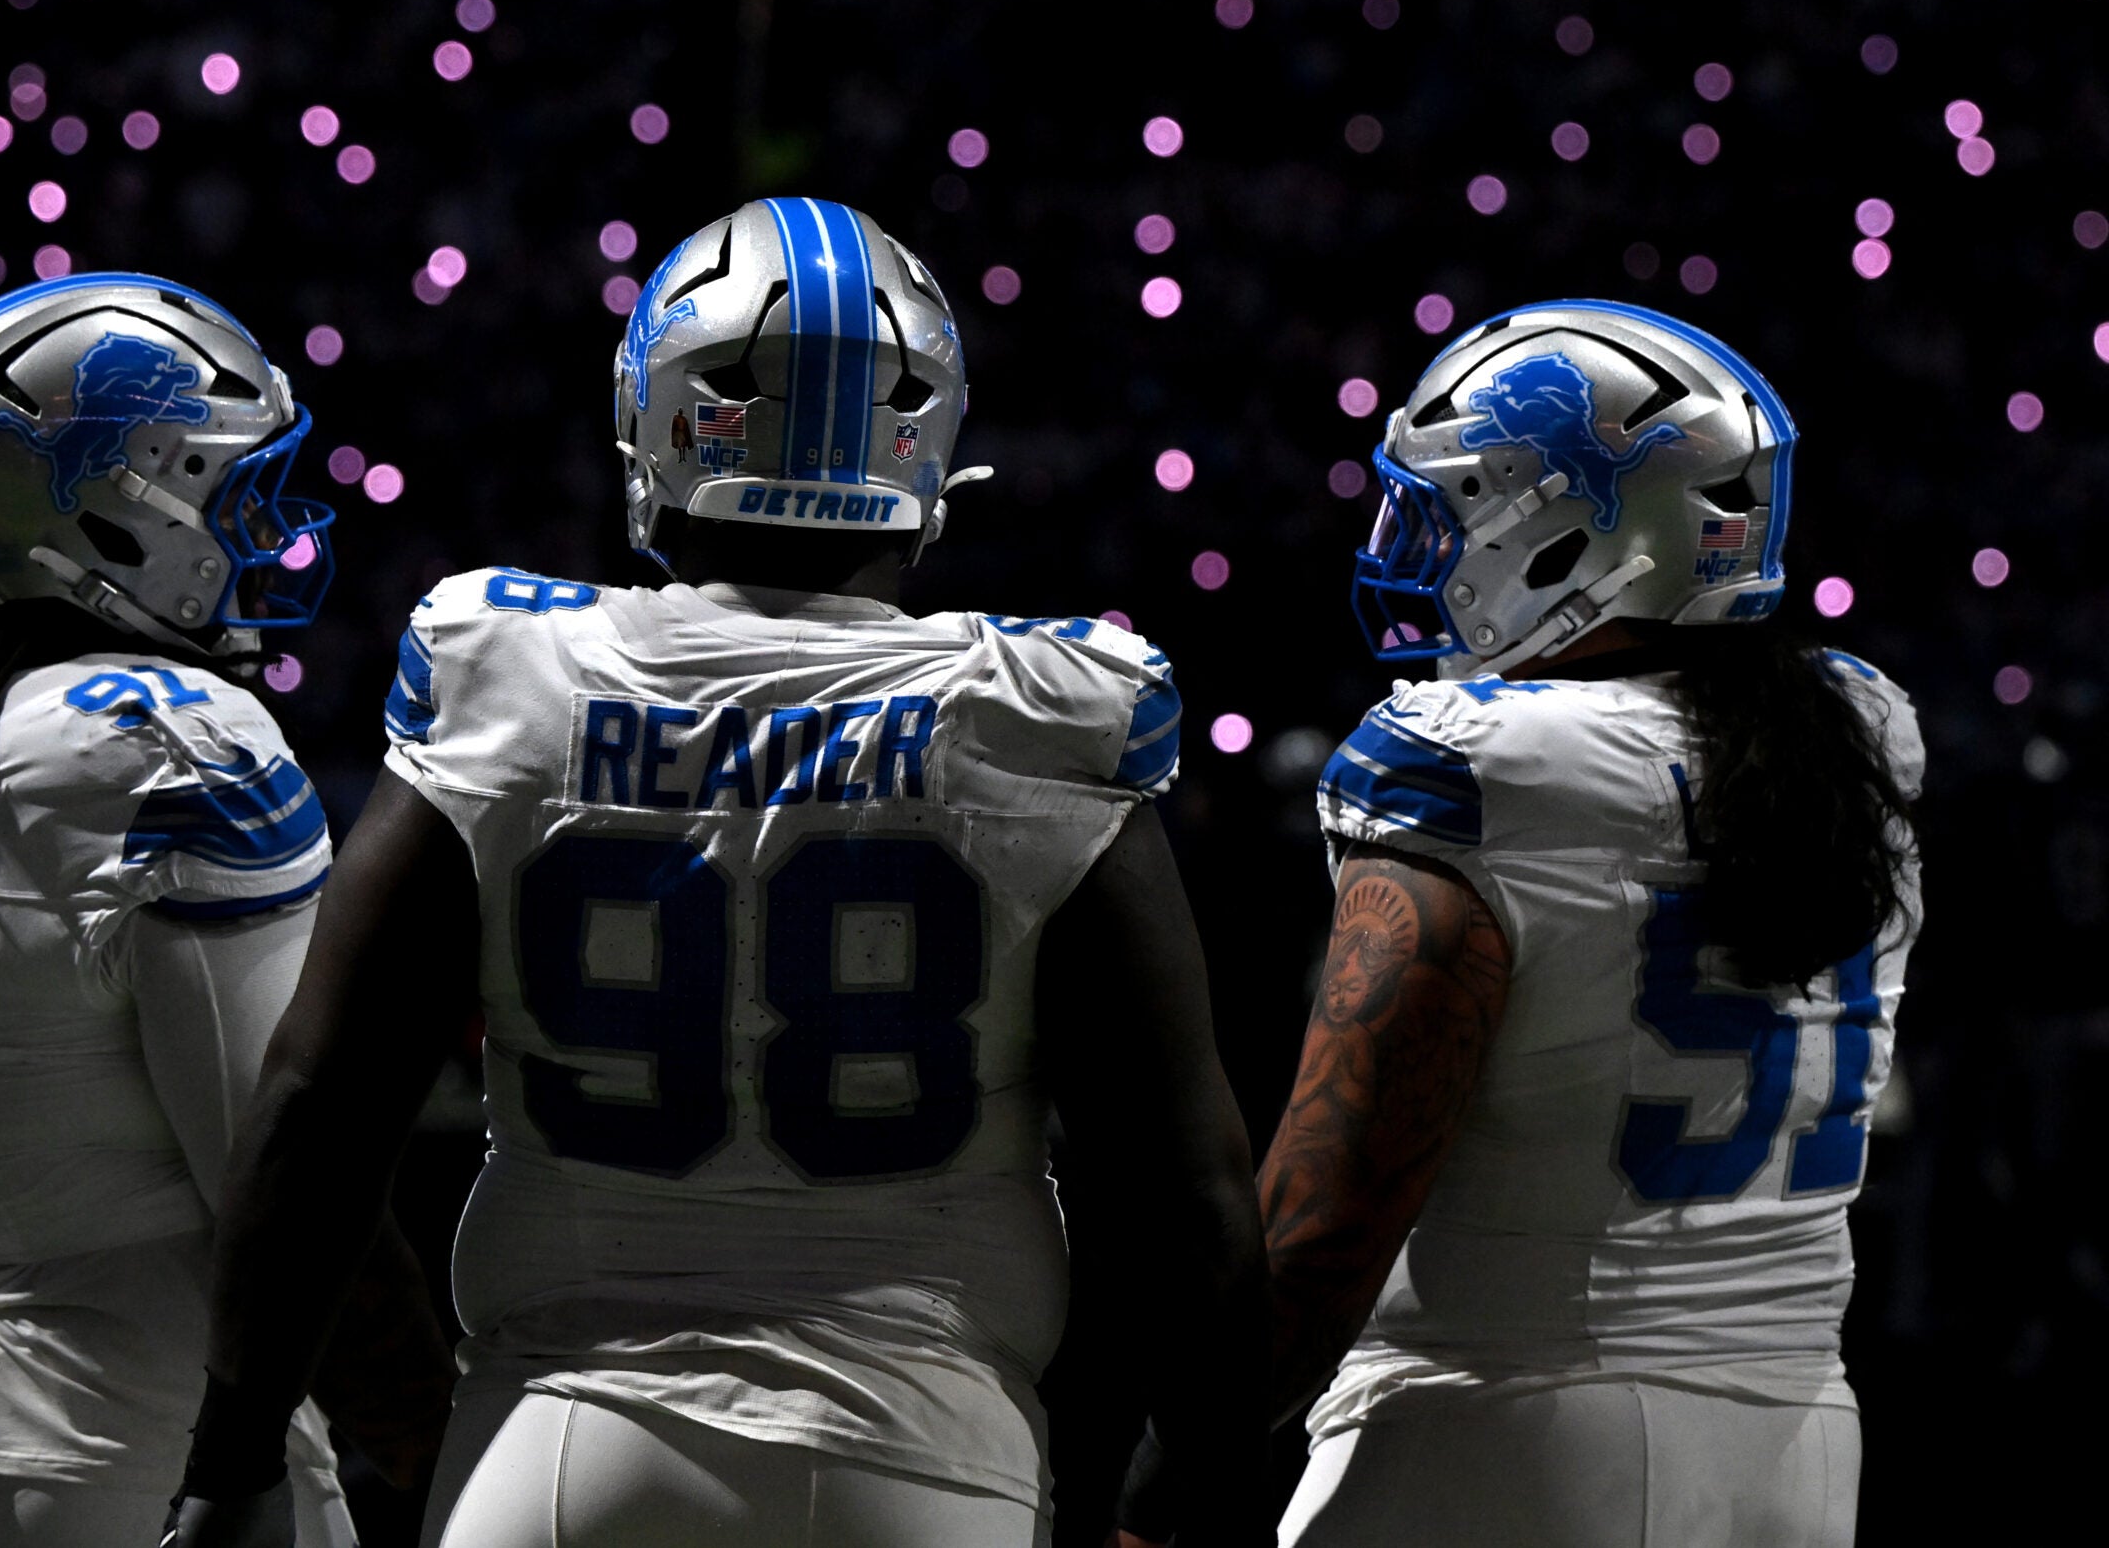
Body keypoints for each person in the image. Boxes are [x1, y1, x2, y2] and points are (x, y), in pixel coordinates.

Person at [167, 198, 1270, 1548]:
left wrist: (232, 1454)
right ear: (925, 445)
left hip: (560, 1447)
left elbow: (322, 1108)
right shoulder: (1033, 714)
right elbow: (1175, 1187)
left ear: (659, 422)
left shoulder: (509, 675)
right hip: (920, 1452)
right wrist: (1202, 1468)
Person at [0, 274, 450, 1547]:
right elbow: (291, 1181)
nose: (265, 530)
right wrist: (442, 1456)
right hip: (120, 1454)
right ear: (109, 511)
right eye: (228, 489)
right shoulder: (166, 743)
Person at [1249, 301, 1922, 1545]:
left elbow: (1330, 1213)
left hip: (1509, 1421)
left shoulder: (1473, 762)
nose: (1416, 541)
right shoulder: (1854, 729)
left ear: (1563, 530)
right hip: (1797, 1439)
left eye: (1451, 506)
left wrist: (1166, 1468)